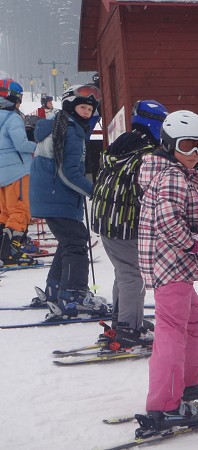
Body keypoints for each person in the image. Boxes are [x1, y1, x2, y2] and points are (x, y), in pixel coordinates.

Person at [136, 110, 198, 432]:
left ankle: (188, 382)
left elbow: (179, 218)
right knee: (171, 333)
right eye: (188, 145)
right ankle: (162, 406)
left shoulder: (177, 172)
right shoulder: (173, 175)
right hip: (170, 264)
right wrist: (192, 243)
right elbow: (167, 222)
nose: (195, 154)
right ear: (170, 143)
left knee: (192, 322)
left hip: (174, 265)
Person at [91, 100, 169, 349]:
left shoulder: (121, 144)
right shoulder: (146, 154)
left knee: (123, 272)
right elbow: (144, 193)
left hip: (107, 220)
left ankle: (124, 318)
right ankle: (128, 328)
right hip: (125, 224)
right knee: (133, 275)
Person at [29, 84, 109, 317]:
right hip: (57, 194)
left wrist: (98, 111)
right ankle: (73, 295)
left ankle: (55, 289)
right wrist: (95, 192)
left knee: (69, 240)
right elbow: (68, 172)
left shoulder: (60, 123)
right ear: (71, 107)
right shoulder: (71, 130)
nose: (87, 112)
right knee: (76, 240)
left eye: (90, 109)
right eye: (82, 107)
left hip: (50, 194)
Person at [0, 79, 37, 267]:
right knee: (20, 211)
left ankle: (2, 251)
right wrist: (38, 147)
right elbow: (21, 145)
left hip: (1, 175)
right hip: (17, 172)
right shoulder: (13, 118)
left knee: (4, 213)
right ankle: (10, 253)